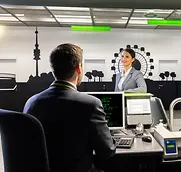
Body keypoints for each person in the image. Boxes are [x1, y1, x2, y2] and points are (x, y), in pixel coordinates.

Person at [23, 43, 116, 172]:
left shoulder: (31, 102)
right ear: (79, 68)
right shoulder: (91, 104)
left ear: (53, 68)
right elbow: (107, 151)